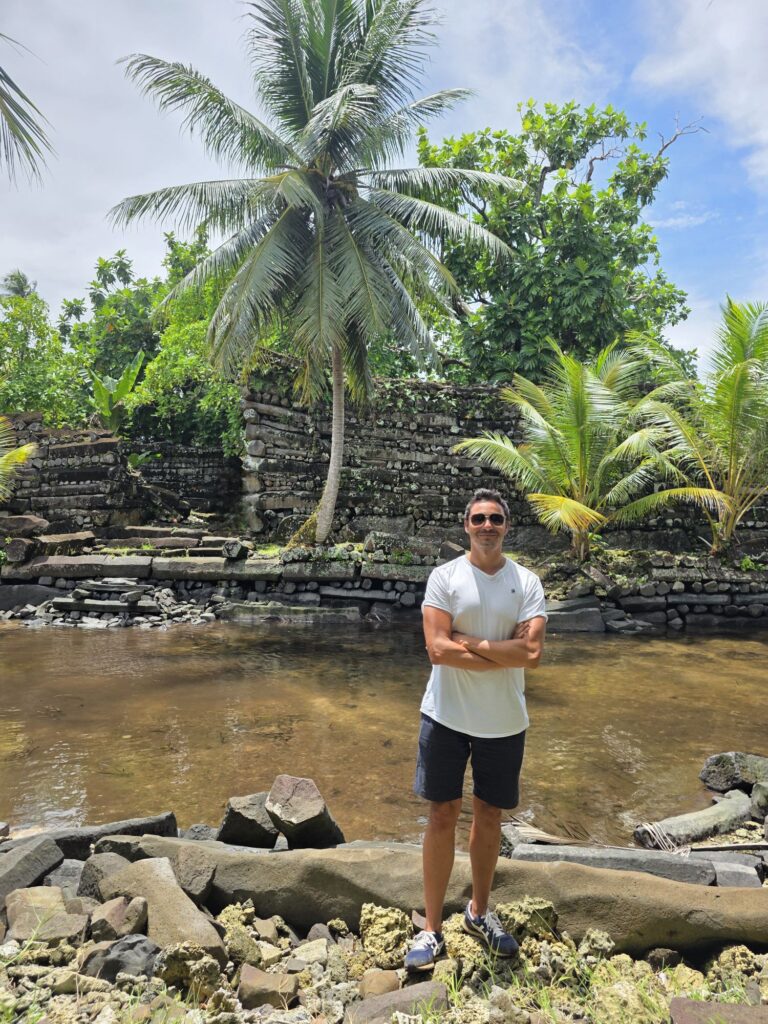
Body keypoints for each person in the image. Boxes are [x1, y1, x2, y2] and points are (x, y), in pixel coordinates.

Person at [405, 488, 547, 972]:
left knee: (490, 816)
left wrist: (469, 642)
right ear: (465, 524)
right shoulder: (445, 577)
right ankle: (431, 928)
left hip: (505, 722)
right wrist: (496, 650)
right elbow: (437, 650)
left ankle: (479, 913)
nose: (488, 525)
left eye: (496, 518)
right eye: (479, 518)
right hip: (445, 715)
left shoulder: (526, 582)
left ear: (508, 526)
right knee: (441, 815)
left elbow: (530, 654)